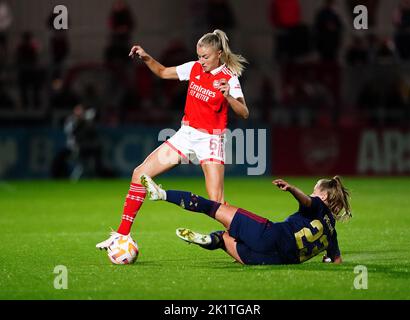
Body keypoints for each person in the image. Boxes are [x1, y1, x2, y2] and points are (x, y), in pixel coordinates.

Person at [96, 29, 249, 249]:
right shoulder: (194, 68)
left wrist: (227, 96)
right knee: (139, 174)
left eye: (205, 56)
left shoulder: (229, 78)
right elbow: (163, 72)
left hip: (211, 140)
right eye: (199, 55)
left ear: (218, 54)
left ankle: (241, 243)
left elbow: (244, 112)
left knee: (216, 202)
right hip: (186, 135)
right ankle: (121, 235)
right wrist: (147, 57)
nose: (201, 61)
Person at [136, 174, 351, 265]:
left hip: (270, 236)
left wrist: (292, 189)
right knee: (223, 238)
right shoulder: (332, 234)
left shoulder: (318, 205)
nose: (312, 194)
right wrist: (327, 259)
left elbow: (306, 202)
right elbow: (337, 262)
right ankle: (210, 240)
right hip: (272, 262)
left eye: (315, 191)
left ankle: (162, 194)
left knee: (214, 207)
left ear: (323, 196)